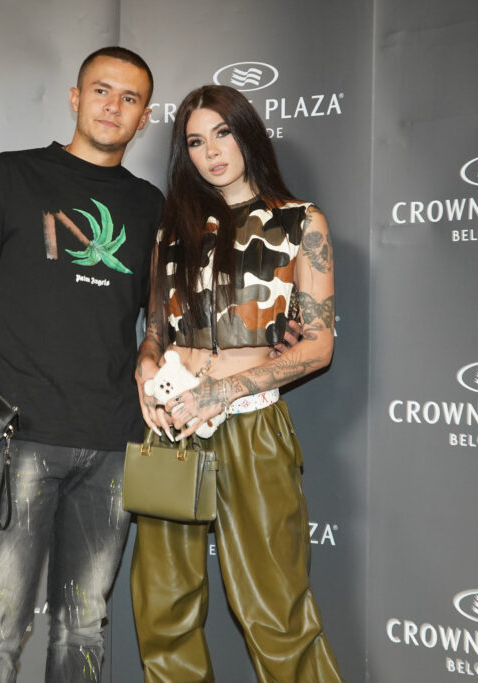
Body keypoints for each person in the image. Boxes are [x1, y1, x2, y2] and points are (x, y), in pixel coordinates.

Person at [0, 47, 163, 683]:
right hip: (15, 439)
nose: (113, 106)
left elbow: (159, 317)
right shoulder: (10, 176)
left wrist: (152, 349)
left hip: (113, 446)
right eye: (101, 90)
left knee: (83, 629)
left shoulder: (150, 206)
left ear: (144, 117)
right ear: (76, 98)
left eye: (129, 98)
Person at [130, 84, 345, 682]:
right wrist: (145, 366)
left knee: (275, 607)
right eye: (196, 142)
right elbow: (155, 329)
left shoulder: (300, 221)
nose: (211, 152)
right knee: (162, 607)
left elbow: (319, 346)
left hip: (251, 424)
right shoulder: (172, 228)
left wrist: (224, 390)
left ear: (246, 134)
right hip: (172, 425)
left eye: (222, 134)